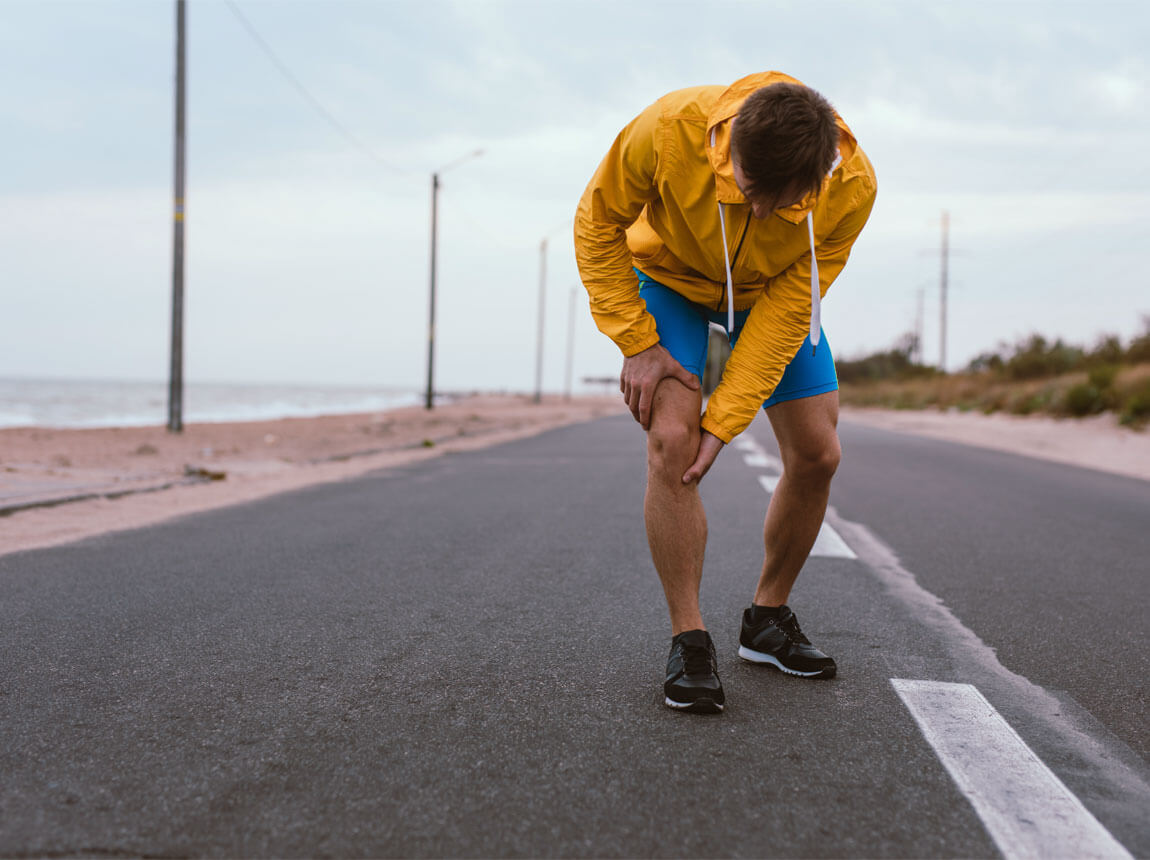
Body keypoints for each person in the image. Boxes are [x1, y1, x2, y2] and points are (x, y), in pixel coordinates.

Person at [573, 72, 877, 714]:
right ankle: (690, 639)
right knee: (674, 441)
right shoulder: (666, 129)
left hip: (773, 299)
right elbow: (598, 225)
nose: (761, 212)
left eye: (784, 202)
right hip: (673, 284)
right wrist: (637, 342)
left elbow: (792, 305)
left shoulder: (853, 187)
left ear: (821, 177)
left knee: (820, 455)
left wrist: (728, 418)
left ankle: (767, 622)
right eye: (747, 190)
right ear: (728, 144)